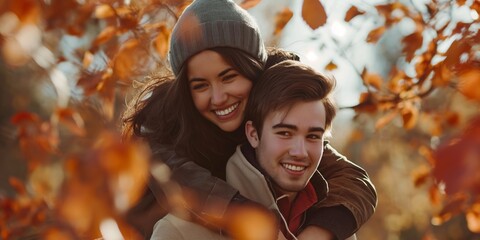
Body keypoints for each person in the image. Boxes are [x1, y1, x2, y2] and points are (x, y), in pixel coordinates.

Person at [122, 0, 377, 239]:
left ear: (253, 69)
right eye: (200, 86)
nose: (218, 97)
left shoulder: (275, 111)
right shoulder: (163, 130)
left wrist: (319, 232)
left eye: (229, 77)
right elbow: (186, 186)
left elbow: (352, 179)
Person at [150, 60, 357, 240]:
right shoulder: (179, 233)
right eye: (284, 133)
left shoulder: (338, 230)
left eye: (313, 136)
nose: (300, 152)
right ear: (253, 134)